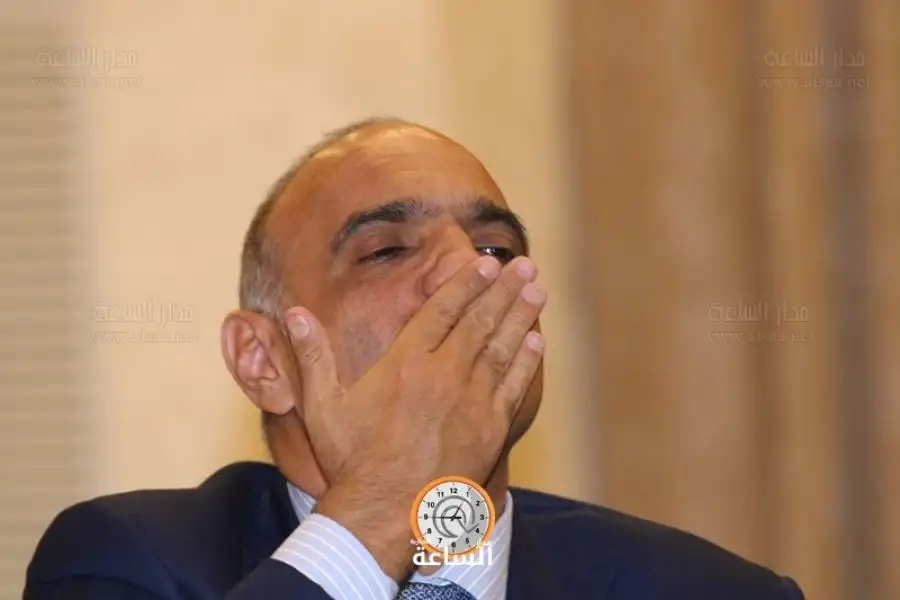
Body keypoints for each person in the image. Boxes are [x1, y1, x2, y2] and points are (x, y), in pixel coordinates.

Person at [25, 118, 805, 600]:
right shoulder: (124, 561)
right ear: (262, 360)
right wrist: (383, 505)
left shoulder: (710, 590)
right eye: (387, 250)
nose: (470, 271)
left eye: (496, 247)